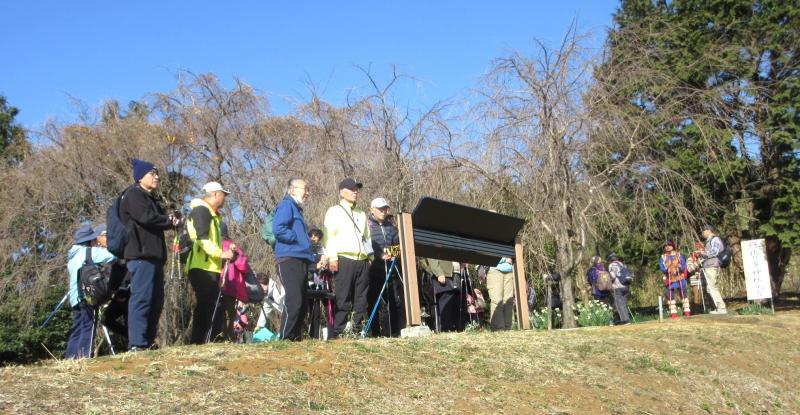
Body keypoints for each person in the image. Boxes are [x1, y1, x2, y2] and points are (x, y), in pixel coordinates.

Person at [119, 159, 181, 351]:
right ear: (140, 177)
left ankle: (147, 341)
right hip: (140, 255)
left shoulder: (150, 198)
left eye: (157, 174)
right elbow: (146, 217)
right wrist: (168, 221)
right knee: (142, 298)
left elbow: (155, 218)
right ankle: (137, 343)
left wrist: (171, 220)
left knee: (155, 300)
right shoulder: (133, 195)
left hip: (153, 256)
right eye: (152, 174)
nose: (156, 177)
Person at [322, 178, 373, 338]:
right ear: (341, 192)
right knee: (343, 297)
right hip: (343, 258)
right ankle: (338, 332)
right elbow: (329, 236)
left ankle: (357, 331)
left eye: (356, 189)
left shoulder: (362, 213)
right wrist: (332, 257)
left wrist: (370, 257)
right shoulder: (334, 211)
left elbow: (367, 236)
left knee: (361, 298)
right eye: (351, 189)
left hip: (362, 261)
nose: (355, 191)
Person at [185, 181, 235, 344]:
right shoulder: (202, 211)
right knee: (213, 305)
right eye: (223, 194)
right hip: (201, 266)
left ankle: (199, 342)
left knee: (205, 305)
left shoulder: (212, 214)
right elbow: (202, 239)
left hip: (208, 266)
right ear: (214, 194)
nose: (225, 198)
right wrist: (222, 253)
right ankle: (212, 340)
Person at [65, 224, 117, 359]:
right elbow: (112, 255)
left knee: (77, 328)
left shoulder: (72, 257)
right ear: (90, 241)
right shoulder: (88, 252)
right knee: (89, 326)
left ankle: (71, 358)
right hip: (88, 295)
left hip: (75, 298)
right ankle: (84, 357)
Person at [272, 178, 315, 340]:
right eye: (305, 189)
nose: (308, 193)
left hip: (301, 260)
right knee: (294, 300)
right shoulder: (286, 205)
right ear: (293, 190)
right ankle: (285, 338)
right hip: (289, 259)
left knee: (303, 303)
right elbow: (278, 228)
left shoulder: (297, 210)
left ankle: (296, 338)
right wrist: (296, 239)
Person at [366, 197, 404, 337]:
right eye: (380, 209)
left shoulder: (391, 226)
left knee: (394, 300)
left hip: (391, 269)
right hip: (374, 270)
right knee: (373, 301)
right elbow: (367, 245)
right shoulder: (368, 225)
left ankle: (395, 331)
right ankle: (375, 332)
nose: (383, 211)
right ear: (372, 210)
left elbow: (397, 245)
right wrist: (379, 255)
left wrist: (393, 254)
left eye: (385, 209)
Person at [220, 222, 253, 338]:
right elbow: (243, 266)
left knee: (219, 310)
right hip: (232, 284)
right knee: (230, 311)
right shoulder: (233, 246)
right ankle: (229, 336)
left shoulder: (213, 245)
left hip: (217, 282)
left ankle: (220, 335)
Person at [420, 258, 464, 332]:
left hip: (455, 273)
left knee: (455, 304)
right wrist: (439, 273)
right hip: (443, 274)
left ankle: (453, 330)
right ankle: (446, 331)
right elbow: (431, 256)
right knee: (446, 304)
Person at [696, 225, 727, 314]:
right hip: (708, 265)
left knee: (712, 287)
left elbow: (715, 252)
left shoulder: (715, 239)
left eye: (703, 231)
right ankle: (718, 308)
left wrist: (702, 253)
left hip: (712, 265)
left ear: (708, 230)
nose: (702, 234)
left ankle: (721, 308)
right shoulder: (709, 241)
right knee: (710, 287)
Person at [659, 240, 690, 318]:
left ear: (672, 246)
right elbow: (662, 267)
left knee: (683, 293)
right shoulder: (663, 257)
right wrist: (667, 270)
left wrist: (679, 269)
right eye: (666, 246)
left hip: (680, 277)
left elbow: (684, 265)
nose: (667, 247)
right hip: (669, 278)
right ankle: (673, 313)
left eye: (669, 245)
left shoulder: (679, 255)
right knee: (669, 294)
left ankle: (686, 311)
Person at [486, 257, 515, 331]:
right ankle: (498, 330)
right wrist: (505, 259)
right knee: (497, 301)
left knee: (509, 302)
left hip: (509, 270)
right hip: (494, 270)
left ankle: (508, 329)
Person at [606, 253, 631, 324]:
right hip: (625, 285)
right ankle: (627, 319)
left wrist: (609, 280)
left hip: (617, 286)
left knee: (619, 304)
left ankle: (625, 320)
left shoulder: (611, 265)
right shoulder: (621, 264)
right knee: (624, 303)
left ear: (610, 259)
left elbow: (613, 276)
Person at [686, 241, 706, 312]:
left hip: (703, 280)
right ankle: (696, 311)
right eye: (698, 250)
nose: (699, 252)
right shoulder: (690, 259)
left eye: (701, 250)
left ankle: (702, 310)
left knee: (702, 296)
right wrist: (697, 263)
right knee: (697, 296)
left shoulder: (703, 258)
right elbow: (689, 269)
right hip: (695, 281)